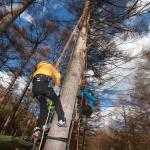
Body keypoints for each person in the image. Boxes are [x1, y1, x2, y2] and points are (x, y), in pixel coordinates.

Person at [32, 61, 66, 128]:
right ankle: (61, 120)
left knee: (43, 106)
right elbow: (58, 76)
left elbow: (49, 71)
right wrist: (57, 86)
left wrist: (56, 67)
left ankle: (42, 124)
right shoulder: (50, 66)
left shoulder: (38, 69)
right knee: (56, 100)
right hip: (42, 86)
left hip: (35, 89)